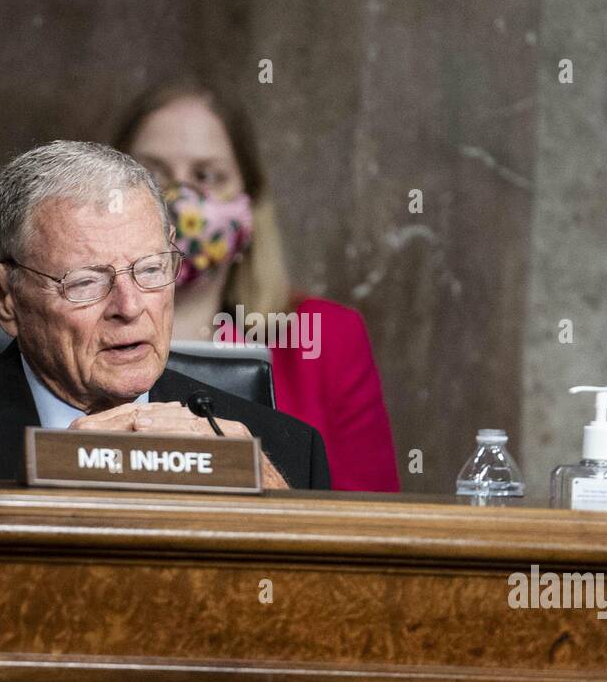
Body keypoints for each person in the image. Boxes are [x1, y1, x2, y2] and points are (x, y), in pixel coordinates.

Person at [0, 141, 330, 490]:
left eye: (152, 270)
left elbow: (326, 629)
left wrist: (267, 498)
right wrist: (54, 482)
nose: (129, 308)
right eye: (86, 282)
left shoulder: (281, 450)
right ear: (1, 294)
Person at [112, 81, 399, 492]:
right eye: (151, 174)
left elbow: (372, 520)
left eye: (206, 176)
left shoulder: (327, 338)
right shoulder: (42, 314)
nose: (178, 197)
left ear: (249, 201)